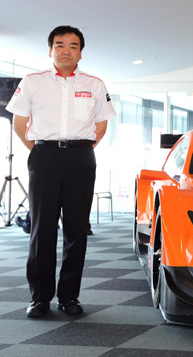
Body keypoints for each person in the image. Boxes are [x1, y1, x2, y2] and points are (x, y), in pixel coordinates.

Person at [6, 25, 116, 318]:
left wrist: (79, 150)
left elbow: (101, 125)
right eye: (60, 45)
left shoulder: (95, 84)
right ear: (50, 50)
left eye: (73, 46)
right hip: (44, 156)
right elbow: (19, 124)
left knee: (76, 229)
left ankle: (69, 297)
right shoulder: (32, 82)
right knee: (42, 228)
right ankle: (39, 298)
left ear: (80, 52)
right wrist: (42, 152)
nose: (66, 50)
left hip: (81, 156)